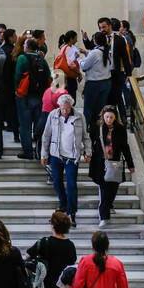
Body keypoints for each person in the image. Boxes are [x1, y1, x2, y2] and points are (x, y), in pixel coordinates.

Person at [40, 91, 91, 225]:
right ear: (59, 107)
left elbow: (86, 136)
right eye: (62, 108)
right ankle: (63, 204)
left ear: (71, 106)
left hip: (72, 156)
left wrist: (88, 151)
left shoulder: (79, 117)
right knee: (56, 182)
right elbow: (46, 136)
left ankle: (71, 212)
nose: (65, 111)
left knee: (72, 185)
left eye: (67, 108)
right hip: (56, 154)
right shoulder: (53, 115)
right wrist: (44, 154)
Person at [26, 211, 77, 288]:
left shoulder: (45, 242)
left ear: (53, 225)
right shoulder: (70, 245)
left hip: (45, 285)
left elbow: (28, 255)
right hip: (62, 286)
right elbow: (72, 262)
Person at [89, 105, 134, 226]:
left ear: (115, 117)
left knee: (113, 187)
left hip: (115, 163)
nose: (109, 119)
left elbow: (125, 147)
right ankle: (104, 216)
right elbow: (89, 141)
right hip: (100, 163)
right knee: (104, 189)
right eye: (107, 117)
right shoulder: (96, 127)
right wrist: (87, 153)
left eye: (111, 117)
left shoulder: (120, 129)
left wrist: (130, 164)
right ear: (103, 116)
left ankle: (109, 205)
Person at [14, 36, 51, 159]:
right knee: (38, 125)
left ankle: (28, 152)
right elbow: (49, 77)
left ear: (27, 47)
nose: (23, 47)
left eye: (24, 45)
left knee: (25, 126)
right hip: (40, 97)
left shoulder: (22, 58)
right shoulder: (42, 59)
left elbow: (18, 76)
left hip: (25, 97)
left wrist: (17, 91)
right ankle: (39, 151)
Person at [78, 32, 111, 132]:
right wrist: (86, 53)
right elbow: (98, 58)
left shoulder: (94, 52)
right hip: (106, 83)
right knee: (100, 110)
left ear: (95, 41)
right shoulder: (106, 50)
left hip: (94, 84)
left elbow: (84, 66)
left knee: (88, 109)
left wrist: (78, 58)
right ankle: (98, 131)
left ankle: (84, 132)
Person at [52, 30, 82, 101]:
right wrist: (79, 73)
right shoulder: (69, 48)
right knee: (70, 100)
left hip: (63, 76)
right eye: (75, 38)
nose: (76, 40)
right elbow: (70, 64)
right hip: (69, 78)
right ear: (71, 39)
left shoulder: (63, 47)